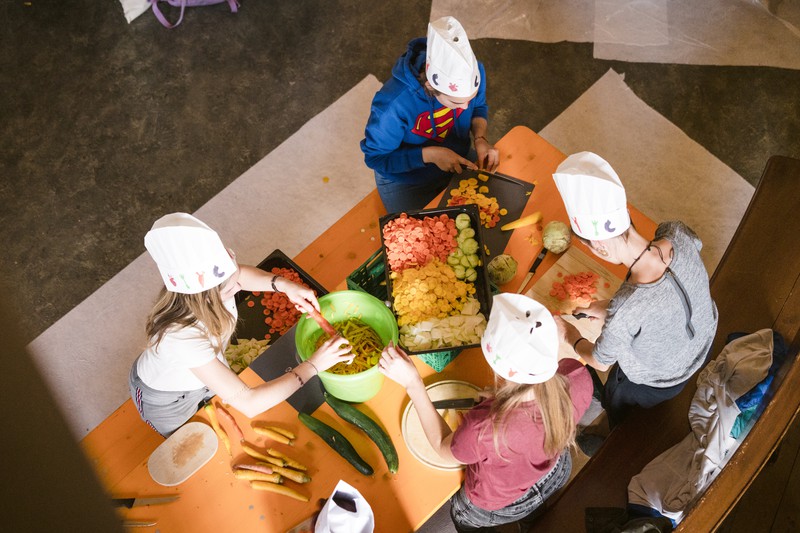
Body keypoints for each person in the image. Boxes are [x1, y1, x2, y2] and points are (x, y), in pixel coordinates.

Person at [379, 294, 591, 532]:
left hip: (497, 504)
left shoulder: (485, 428)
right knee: (542, 513)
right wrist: (504, 398)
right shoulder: (577, 376)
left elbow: (442, 446)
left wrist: (413, 383)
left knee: (461, 514)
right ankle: (538, 519)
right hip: (556, 474)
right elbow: (536, 410)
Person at [129, 213, 354, 437]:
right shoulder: (181, 337)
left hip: (204, 371)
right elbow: (249, 403)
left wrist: (285, 286)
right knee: (189, 437)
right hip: (168, 399)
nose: (239, 287)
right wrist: (314, 365)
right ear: (207, 297)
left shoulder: (212, 289)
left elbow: (241, 275)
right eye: (231, 287)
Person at [551, 152, 718, 426]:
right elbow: (669, 293)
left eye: (592, 248)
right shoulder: (675, 232)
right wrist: (606, 310)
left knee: (617, 392)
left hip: (662, 380)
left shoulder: (627, 308)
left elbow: (601, 361)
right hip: (705, 340)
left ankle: (610, 431)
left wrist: (570, 335)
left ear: (601, 246)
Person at [360, 16, 500, 214]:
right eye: (457, 103)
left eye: (471, 97)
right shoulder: (392, 105)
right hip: (406, 177)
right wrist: (430, 155)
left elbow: (478, 106)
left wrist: (480, 137)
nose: (467, 106)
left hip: (456, 154)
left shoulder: (473, 72)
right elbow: (376, 158)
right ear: (429, 86)